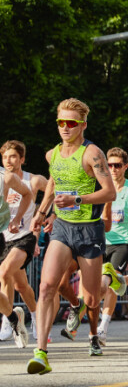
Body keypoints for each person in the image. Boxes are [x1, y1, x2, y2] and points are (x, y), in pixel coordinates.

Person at [27, 98, 117, 374]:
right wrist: (41, 212)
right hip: (63, 229)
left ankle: (110, 280)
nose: (65, 127)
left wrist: (77, 199)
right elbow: (54, 183)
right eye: (61, 122)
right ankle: (41, 353)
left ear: (83, 125)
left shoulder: (92, 154)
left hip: (89, 230)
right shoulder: (52, 154)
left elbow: (110, 192)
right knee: (46, 286)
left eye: (71, 123)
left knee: (91, 300)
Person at [97, 147, 128, 345]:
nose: (113, 169)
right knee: (99, 283)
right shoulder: (101, 188)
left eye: (117, 165)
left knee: (109, 282)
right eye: (109, 165)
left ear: (125, 166)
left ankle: (103, 328)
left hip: (122, 243)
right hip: (102, 242)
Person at [0, 141, 45, 341]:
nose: (8, 161)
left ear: (22, 159)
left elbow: (53, 192)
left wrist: (47, 216)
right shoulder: (3, 181)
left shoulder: (33, 181)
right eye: (5, 157)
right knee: (21, 286)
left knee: (4, 273)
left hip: (24, 237)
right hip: (5, 238)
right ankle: (35, 316)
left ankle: (7, 321)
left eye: (13, 156)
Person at [0, 165, 33, 349]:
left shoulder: (5, 177)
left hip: (4, 237)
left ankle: (12, 318)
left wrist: (17, 218)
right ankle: (13, 317)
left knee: (10, 278)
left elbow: (27, 194)